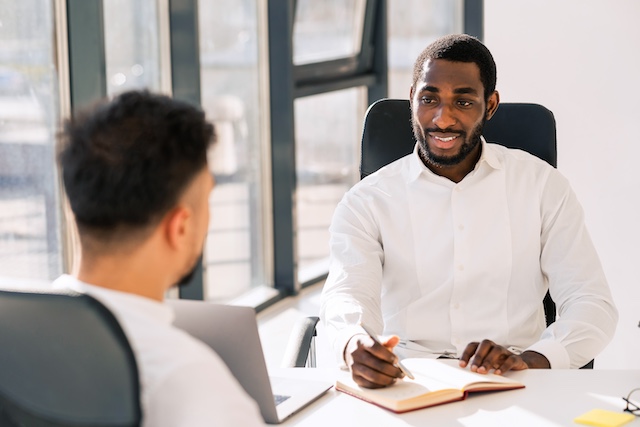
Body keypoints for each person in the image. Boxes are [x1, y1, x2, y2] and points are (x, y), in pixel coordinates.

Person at [320, 34, 618, 389]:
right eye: (429, 99)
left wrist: (534, 359)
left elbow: (592, 303)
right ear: (412, 97)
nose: (443, 119)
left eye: (463, 101)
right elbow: (345, 296)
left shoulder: (542, 186)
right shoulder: (367, 200)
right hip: (407, 379)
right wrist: (353, 343)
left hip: (515, 376)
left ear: (490, 105)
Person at [56, 90, 264, 425]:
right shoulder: (189, 381)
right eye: (208, 197)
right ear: (180, 227)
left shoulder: (16, 335)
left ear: (72, 209)